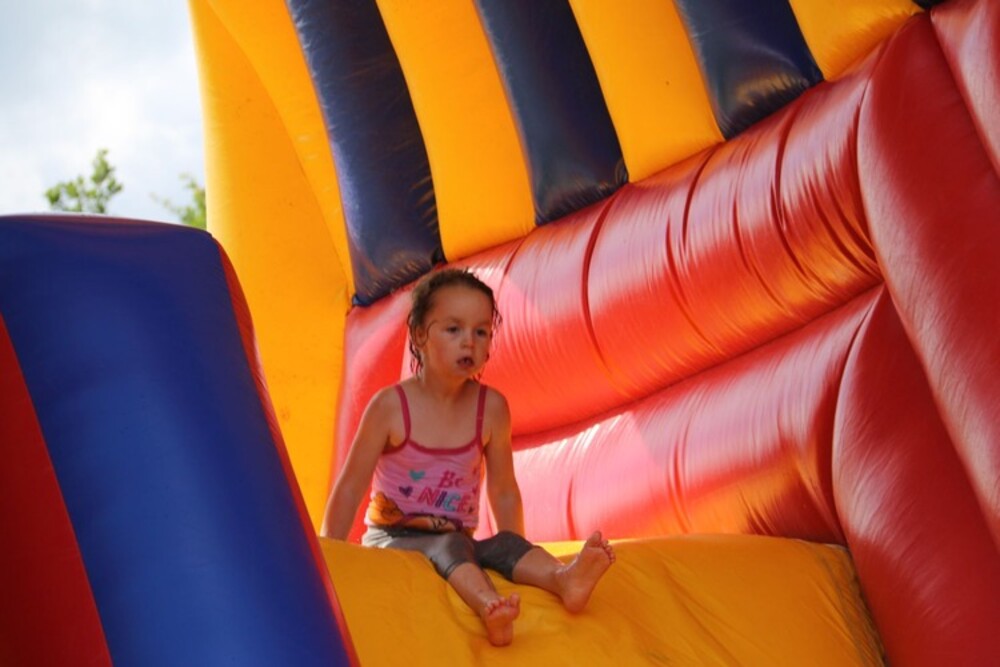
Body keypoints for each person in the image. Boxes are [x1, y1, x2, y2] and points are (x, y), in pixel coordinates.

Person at [322, 267, 616, 647]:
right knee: (450, 546)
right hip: (392, 540)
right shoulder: (391, 407)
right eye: (453, 329)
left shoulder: (491, 408)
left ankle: (564, 579)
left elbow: (504, 490)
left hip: (457, 539)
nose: (469, 343)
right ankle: (488, 605)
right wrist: (330, 558)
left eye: (481, 332)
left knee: (503, 544)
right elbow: (350, 487)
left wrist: (515, 553)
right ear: (420, 335)